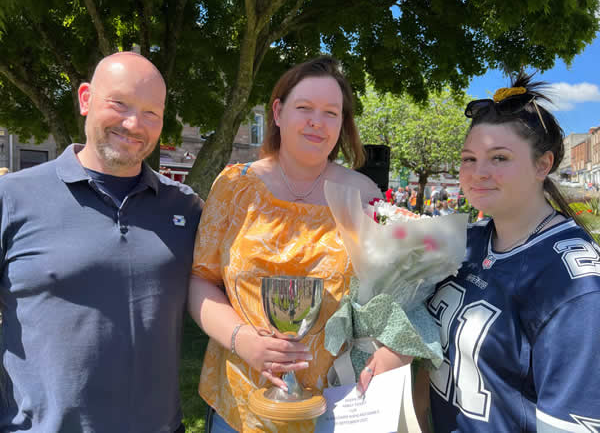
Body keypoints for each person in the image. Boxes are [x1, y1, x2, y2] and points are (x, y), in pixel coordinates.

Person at [188, 56, 410, 433]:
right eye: (304, 107)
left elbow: (393, 293)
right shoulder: (234, 186)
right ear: (278, 111)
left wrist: (395, 348)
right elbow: (201, 280)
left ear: (342, 124)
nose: (316, 122)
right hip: (239, 403)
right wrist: (243, 341)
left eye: (330, 112)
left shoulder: (364, 197)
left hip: (335, 407)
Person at [0, 52, 203, 432]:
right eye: (119, 103)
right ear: (85, 99)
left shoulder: (186, 208)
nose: (133, 123)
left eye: (150, 113)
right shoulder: (12, 197)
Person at [425, 72, 600, 431]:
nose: (478, 173)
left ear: (542, 165)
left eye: (499, 158)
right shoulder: (466, 241)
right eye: (469, 159)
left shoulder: (574, 285)